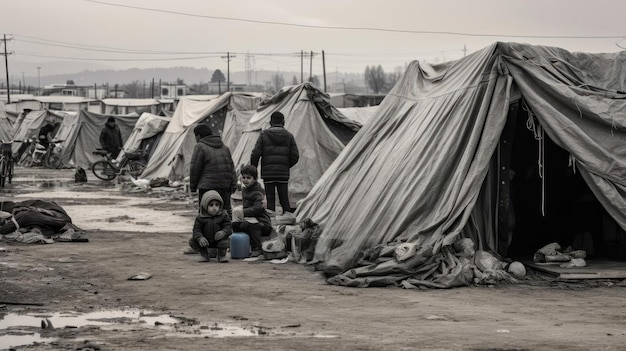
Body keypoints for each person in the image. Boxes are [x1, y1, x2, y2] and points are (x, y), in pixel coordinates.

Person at [250, 111, 299, 214]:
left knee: (270, 199)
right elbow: (295, 155)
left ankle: (271, 222)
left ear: (270, 122)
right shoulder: (289, 136)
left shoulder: (264, 135)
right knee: (284, 198)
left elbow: (255, 153)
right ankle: (287, 218)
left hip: (268, 173)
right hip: (283, 173)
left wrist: (253, 169)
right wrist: (286, 165)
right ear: (283, 122)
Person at [189, 123, 237, 217]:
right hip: (225, 186)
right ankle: (226, 230)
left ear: (198, 136)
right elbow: (231, 167)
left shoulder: (200, 146)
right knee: (225, 212)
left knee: (206, 213)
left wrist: (193, 187)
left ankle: (208, 231)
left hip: (207, 187)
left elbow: (195, 168)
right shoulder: (224, 147)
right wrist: (233, 184)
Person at [232, 165, 272, 257]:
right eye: (244, 177)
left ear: (255, 179)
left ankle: (257, 248)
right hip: (249, 218)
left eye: (248, 178)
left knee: (252, 226)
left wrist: (243, 212)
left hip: (262, 221)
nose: (245, 180)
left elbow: (258, 208)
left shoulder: (258, 192)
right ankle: (240, 246)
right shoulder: (245, 190)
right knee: (235, 224)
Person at [188, 190, 232, 262]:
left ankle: (221, 256)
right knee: (193, 241)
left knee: (226, 241)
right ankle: (204, 255)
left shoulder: (223, 216)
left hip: (219, 240)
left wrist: (223, 232)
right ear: (205, 205)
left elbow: (228, 227)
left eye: (217, 205)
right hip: (206, 241)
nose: (214, 208)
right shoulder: (200, 218)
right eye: (211, 205)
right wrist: (200, 238)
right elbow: (196, 230)